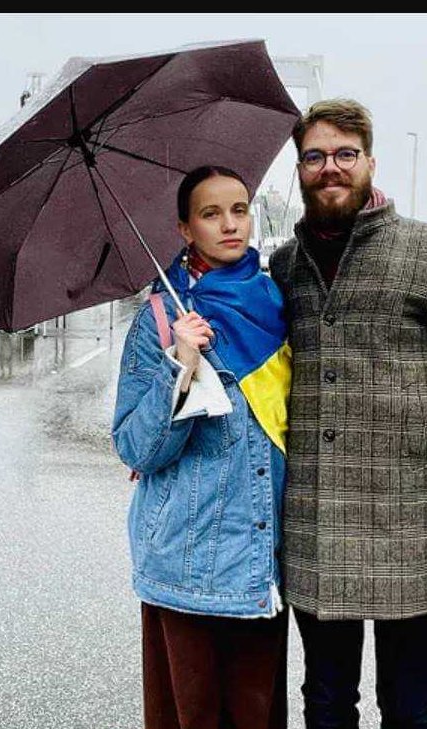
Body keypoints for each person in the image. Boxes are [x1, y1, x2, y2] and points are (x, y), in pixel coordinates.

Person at [268, 99, 427, 729]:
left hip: (413, 529)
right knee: (324, 701)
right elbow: (261, 384)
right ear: (299, 168)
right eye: (314, 156)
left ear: (370, 161)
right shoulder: (284, 266)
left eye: (345, 154)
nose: (329, 168)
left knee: (407, 705)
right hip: (316, 525)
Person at [112, 165, 292, 729]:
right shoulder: (162, 319)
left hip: (260, 557)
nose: (230, 224)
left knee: (256, 714)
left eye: (239, 210)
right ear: (185, 229)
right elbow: (135, 448)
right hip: (186, 561)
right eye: (211, 214)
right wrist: (181, 366)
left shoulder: (277, 304)